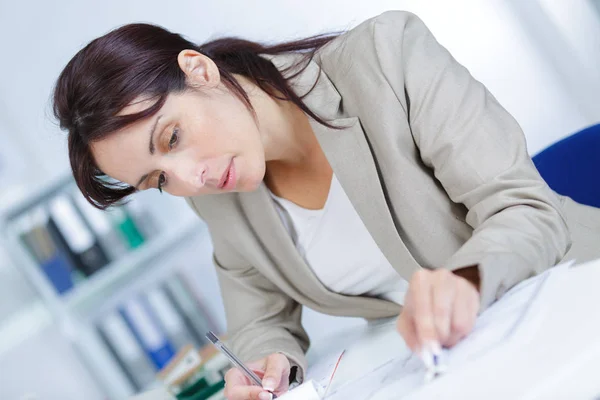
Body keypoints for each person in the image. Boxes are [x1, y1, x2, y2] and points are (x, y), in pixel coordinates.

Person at [52, 10, 600, 400]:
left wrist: (467, 278)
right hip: (465, 363)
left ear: (200, 71)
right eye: (158, 181)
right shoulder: (218, 194)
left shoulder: (385, 57)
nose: (188, 179)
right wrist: (270, 364)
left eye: (171, 138)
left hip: (571, 295)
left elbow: (523, 207)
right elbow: (260, 319)